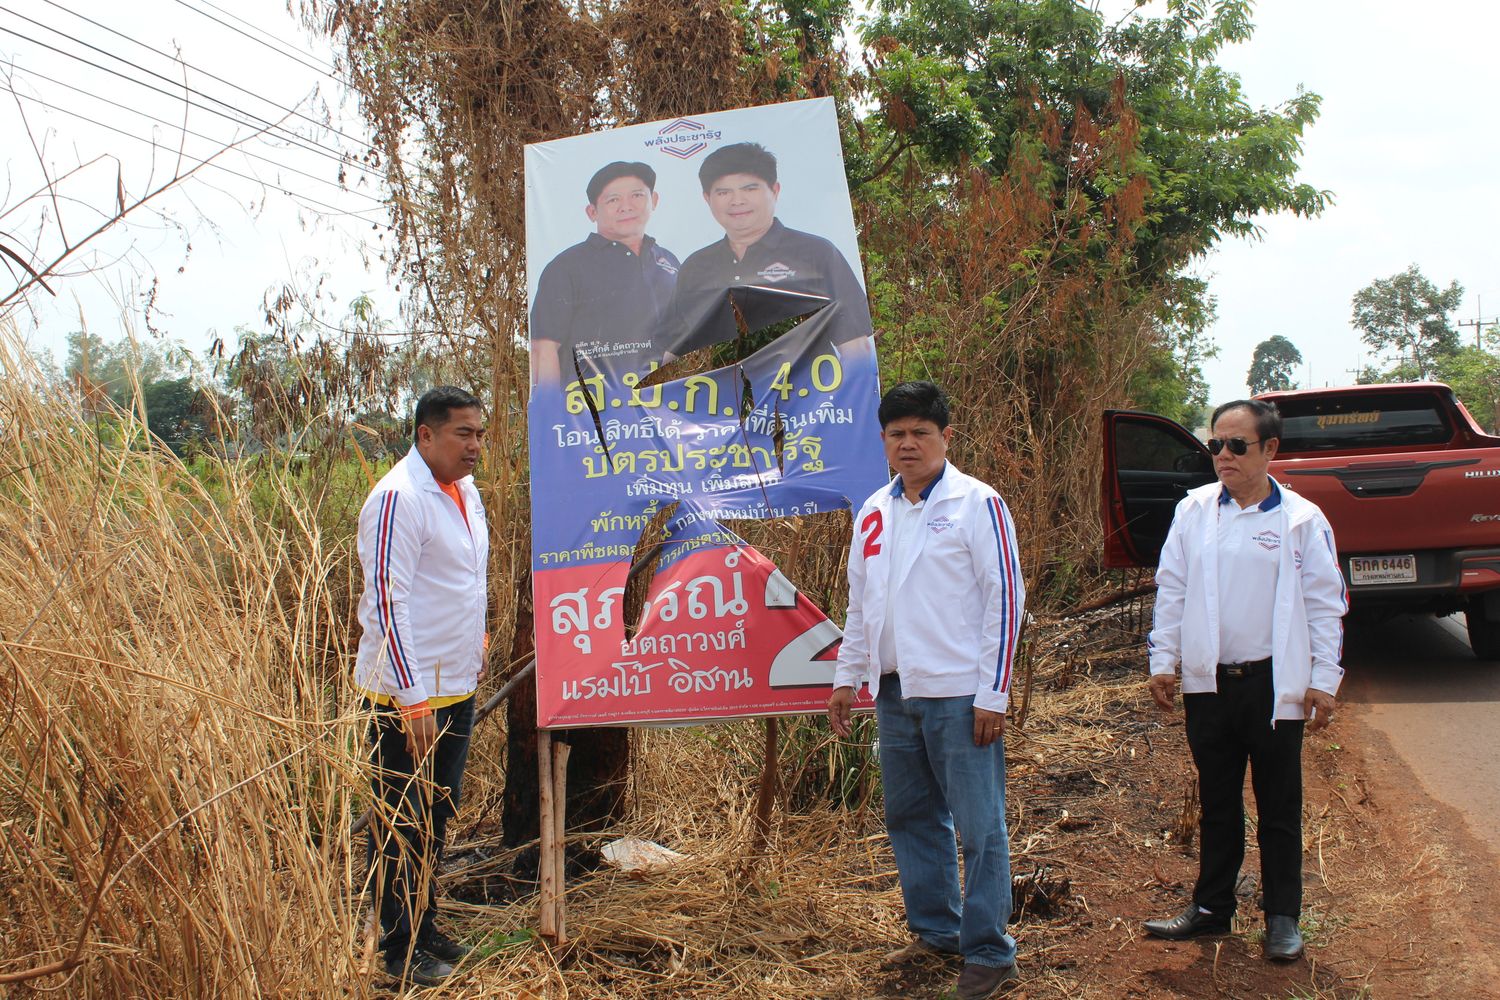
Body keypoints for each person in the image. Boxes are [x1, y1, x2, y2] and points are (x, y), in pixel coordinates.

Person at [828, 381, 1025, 1000]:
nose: (908, 444)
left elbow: (1005, 601)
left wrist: (994, 692)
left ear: (945, 437)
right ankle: (937, 931)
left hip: (960, 694)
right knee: (911, 817)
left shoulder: (978, 504)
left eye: (921, 433)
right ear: (883, 441)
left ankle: (990, 950)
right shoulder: (873, 511)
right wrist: (845, 678)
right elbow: (862, 605)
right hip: (895, 692)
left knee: (979, 826)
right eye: (897, 434)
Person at [1142, 399, 1348, 961]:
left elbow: (1325, 605)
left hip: (1273, 687)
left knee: (1279, 805)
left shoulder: (1301, 520)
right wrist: (1164, 660)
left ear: (1270, 450)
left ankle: (1282, 918)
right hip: (1210, 686)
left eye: (1237, 446)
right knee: (1217, 801)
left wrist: (1323, 679)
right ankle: (1211, 909)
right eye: (1216, 445)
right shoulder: (1194, 512)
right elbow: (1173, 589)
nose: (1223, 456)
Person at [355, 386, 489, 986]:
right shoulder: (396, 499)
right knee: (401, 822)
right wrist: (411, 699)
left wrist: (476, 646)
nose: (475, 446)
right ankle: (400, 950)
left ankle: (424, 923)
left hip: (453, 685)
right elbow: (389, 603)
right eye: (463, 434)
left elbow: (464, 579)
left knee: (435, 815)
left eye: (479, 434)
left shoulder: (464, 492)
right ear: (425, 435)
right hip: (404, 697)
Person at [663, 141, 874, 362]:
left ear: (774, 191)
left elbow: (855, 344)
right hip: (718, 394)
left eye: (749, 189)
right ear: (707, 199)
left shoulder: (816, 254)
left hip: (804, 392)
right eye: (724, 192)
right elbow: (673, 350)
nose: (737, 201)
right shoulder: (696, 266)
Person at [529, 161, 680, 386]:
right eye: (613, 200)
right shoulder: (566, 266)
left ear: (654, 200)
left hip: (663, 408)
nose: (626, 206)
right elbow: (544, 349)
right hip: (590, 412)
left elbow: (682, 335)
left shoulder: (669, 262)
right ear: (592, 212)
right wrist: (550, 411)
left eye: (637, 196)